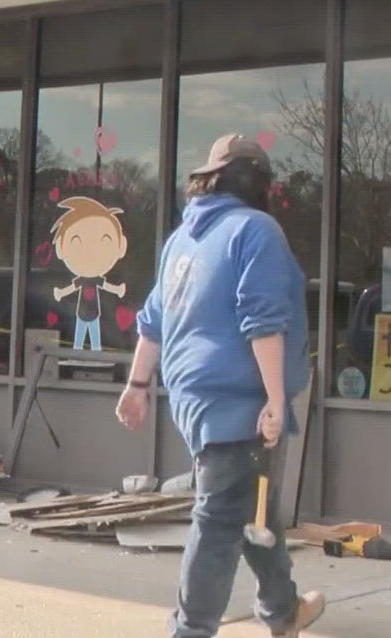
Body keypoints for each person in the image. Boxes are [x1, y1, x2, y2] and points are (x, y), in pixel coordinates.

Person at [116, 134, 321, 638]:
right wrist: (275, 400)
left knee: (255, 508)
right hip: (239, 403)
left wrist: (138, 383)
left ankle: (282, 610)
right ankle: (190, 631)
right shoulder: (257, 230)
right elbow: (263, 322)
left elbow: (153, 321)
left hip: (193, 400)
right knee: (219, 523)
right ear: (257, 184)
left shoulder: (182, 238)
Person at [51, 196, 129, 352]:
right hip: (82, 312)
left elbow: (106, 286)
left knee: (94, 334)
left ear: (121, 247)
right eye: (76, 241)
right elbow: (72, 288)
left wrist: (118, 290)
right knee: (80, 334)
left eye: (104, 242)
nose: (90, 253)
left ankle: (95, 354)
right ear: (60, 247)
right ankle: (78, 353)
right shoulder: (82, 279)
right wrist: (60, 293)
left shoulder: (95, 279)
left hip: (93, 312)